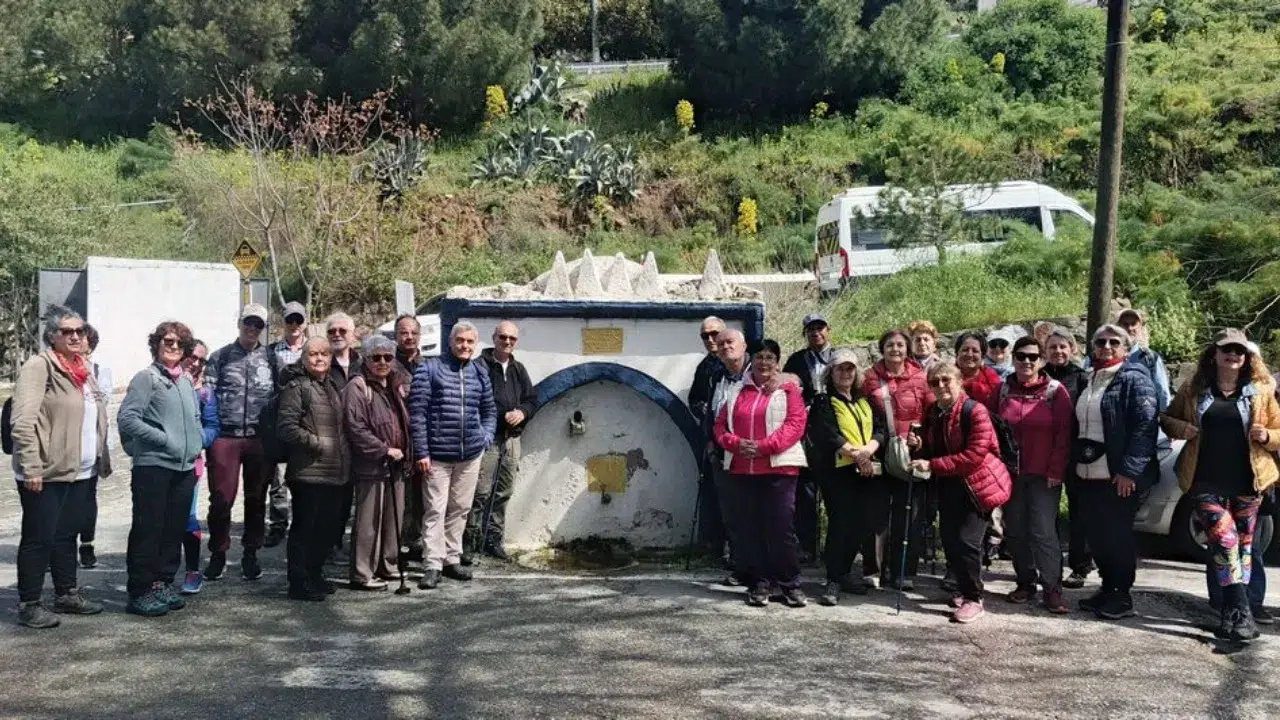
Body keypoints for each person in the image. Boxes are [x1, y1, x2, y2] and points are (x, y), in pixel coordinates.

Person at [1161, 329, 1280, 642]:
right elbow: (1167, 418)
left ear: (1246, 358)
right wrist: (1181, 428)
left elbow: (1279, 430)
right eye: (1227, 350)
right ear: (1214, 354)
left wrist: (1267, 437)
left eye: (1239, 351)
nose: (1233, 355)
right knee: (1226, 541)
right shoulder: (1194, 389)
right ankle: (1241, 609)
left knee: (1243, 548)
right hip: (1205, 479)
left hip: (1248, 481)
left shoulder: (1261, 391)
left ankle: (1232, 615)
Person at [10, 307, 112, 628]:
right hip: (46, 470)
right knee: (39, 537)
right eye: (67, 332)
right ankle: (29, 604)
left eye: (80, 331)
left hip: (80, 470)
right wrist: (31, 466)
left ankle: (66, 593)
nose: (76, 336)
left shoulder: (84, 369)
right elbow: (22, 422)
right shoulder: (39, 367)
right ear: (53, 336)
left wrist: (99, 460)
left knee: (67, 535)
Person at [911, 361, 1012, 624]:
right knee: (951, 540)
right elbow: (933, 451)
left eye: (946, 380)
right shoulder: (934, 411)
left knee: (968, 541)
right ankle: (963, 588)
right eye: (935, 382)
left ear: (959, 382)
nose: (941, 386)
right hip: (949, 483)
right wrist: (919, 446)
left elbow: (974, 455)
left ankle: (974, 598)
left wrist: (931, 464)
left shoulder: (975, 411)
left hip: (977, 485)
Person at [117, 321, 203, 617]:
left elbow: (194, 418)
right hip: (153, 466)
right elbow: (128, 419)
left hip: (184, 468)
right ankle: (139, 591)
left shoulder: (185, 381)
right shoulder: (146, 378)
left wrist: (195, 443)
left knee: (172, 529)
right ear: (156, 343)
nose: (174, 346)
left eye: (180, 343)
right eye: (168, 341)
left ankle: (162, 583)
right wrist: (163, 439)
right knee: (148, 529)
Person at [715, 339, 809, 607]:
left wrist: (763, 448)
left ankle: (790, 583)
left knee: (781, 529)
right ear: (751, 360)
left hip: (779, 470)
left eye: (770, 357)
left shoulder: (789, 390)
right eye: (759, 357)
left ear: (777, 362)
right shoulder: (735, 391)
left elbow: (795, 425)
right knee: (750, 529)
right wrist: (735, 444)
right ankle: (760, 583)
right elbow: (720, 427)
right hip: (743, 470)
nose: (764, 362)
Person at [1075, 324, 1160, 620]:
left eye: (1114, 342)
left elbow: (1145, 427)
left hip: (1118, 475)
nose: (1107, 346)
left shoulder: (1136, 379)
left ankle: (1121, 595)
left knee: (1117, 535)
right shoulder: (1091, 377)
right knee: (1097, 535)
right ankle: (1107, 588)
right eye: (1101, 341)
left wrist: (1129, 471)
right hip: (1089, 473)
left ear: (1126, 347)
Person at [409, 322, 497, 589]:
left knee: (460, 509)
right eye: (460, 341)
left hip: (469, 454)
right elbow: (417, 413)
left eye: (470, 342)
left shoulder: (479, 371)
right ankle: (432, 564)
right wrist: (422, 451)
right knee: (435, 509)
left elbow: (489, 410)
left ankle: (451, 558)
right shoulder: (430, 368)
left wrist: (484, 438)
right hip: (437, 455)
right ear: (450, 342)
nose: (465, 346)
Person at [998, 337, 1075, 614]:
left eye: (1033, 357)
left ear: (1041, 360)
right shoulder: (1004, 389)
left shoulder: (1055, 391)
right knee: (1016, 531)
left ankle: (1052, 589)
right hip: (1012, 474)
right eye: (1021, 356)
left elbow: (1064, 434)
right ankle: (1025, 582)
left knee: (1043, 532)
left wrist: (1056, 469)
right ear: (1013, 359)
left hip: (1044, 476)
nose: (1027, 361)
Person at [204, 303, 278, 582]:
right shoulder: (221, 357)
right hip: (226, 437)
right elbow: (207, 398)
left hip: (259, 439)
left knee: (257, 499)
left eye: (258, 324)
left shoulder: (271, 359)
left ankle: (251, 553)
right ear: (239, 323)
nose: (252, 328)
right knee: (221, 500)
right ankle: (218, 553)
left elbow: (279, 398)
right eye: (249, 322)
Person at [806, 348, 886, 606]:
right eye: (840, 368)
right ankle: (833, 578)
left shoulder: (866, 401)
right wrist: (858, 456)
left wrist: (869, 450)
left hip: (865, 471)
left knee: (861, 524)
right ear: (831, 372)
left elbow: (881, 429)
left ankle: (845, 572)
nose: (846, 373)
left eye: (850, 368)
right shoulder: (823, 401)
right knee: (841, 524)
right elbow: (827, 434)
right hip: (837, 473)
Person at [861, 329, 933, 590]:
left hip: (909, 454)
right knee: (876, 514)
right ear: (882, 348)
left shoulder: (921, 378)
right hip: (879, 451)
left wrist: (921, 441)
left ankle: (903, 570)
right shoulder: (869, 378)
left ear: (908, 348)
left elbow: (930, 415)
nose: (895, 349)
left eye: (901, 345)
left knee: (908, 515)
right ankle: (874, 569)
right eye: (890, 344)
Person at [278, 337, 349, 601]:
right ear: (304, 358)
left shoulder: (332, 386)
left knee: (326, 530)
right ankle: (298, 582)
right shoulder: (296, 387)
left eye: (324, 354)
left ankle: (315, 574)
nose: (319, 359)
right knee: (304, 529)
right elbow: (286, 427)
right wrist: (317, 444)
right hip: (308, 472)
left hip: (333, 472)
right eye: (313, 354)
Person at [343, 336, 411, 591]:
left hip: (397, 463)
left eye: (388, 357)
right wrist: (383, 450)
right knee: (368, 522)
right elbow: (355, 428)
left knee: (393, 519)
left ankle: (388, 565)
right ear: (366, 358)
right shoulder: (358, 386)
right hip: (371, 465)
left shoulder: (395, 385)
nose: (382, 362)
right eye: (376, 357)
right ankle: (362, 573)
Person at [465, 321, 536, 563]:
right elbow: (473, 401)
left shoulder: (518, 369)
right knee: (480, 491)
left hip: (512, 439)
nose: (507, 342)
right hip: (488, 438)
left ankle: (493, 540)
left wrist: (523, 413)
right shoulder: (479, 367)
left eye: (512, 339)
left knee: (504, 491)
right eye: (503, 337)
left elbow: (531, 399)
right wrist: (500, 414)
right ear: (493, 338)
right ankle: (469, 541)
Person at [1044, 326, 1094, 589]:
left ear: (1072, 349)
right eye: (1052, 347)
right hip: (1045, 452)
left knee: (1079, 511)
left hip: (1075, 452)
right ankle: (1045, 563)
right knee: (1044, 511)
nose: (1058, 351)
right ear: (1045, 351)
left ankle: (1080, 565)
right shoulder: (1038, 376)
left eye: (1062, 346)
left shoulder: (1083, 378)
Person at [782, 313, 832, 562]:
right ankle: (807, 546)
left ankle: (835, 548)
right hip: (806, 434)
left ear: (828, 330)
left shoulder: (840, 358)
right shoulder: (796, 360)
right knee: (807, 492)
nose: (816, 333)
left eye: (819, 328)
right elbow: (787, 394)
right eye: (810, 329)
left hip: (836, 432)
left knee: (835, 493)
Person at [705, 329, 752, 584]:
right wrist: (711, 442)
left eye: (729, 342)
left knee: (754, 513)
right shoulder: (716, 376)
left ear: (744, 345)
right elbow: (711, 412)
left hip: (750, 453)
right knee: (732, 514)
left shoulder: (757, 373)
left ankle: (760, 569)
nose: (724, 347)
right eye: (720, 344)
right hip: (723, 453)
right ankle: (741, 565)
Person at [265, 301, 309, 549]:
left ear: (305, 323)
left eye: (298, 320)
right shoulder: (270, 352)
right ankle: (278, 523)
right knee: (277, 478)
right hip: (278, 419)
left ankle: (302, 524)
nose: (294, 325)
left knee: (302, 474)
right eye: (289, 320)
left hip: (304, 419)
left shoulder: (314, 349)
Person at [180, 340, 219, 595]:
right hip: (161, 464)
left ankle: (193, 571)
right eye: (192, 357)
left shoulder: (205, 392)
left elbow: (212, 425)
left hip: (190, 464)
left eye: (201, 360)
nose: (195, 363)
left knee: (188, 517)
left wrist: (197, 442)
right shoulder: (162, 381)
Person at [324, 311, 361, 560]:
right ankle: (329, 545)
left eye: (342, 331)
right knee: (333, 497)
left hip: (360, 439)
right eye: (332, 331)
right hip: (331, 440)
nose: (337, 335)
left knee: (353, 497)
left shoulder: (364, 361)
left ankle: (354, 545)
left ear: (353, 334)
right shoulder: (321, 361)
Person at [392, 314, 427, 562]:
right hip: (397, 439)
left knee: (421, 496)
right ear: (396, 336)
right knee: (399, 497)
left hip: (423, 439)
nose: (409, 337)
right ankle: (396, 545)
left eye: (413, 333)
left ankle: (415, 541)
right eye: (404, 333)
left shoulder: (429, 364)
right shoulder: (387, 363)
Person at [77, 323, 112, 570]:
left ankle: (87, 544)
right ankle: (59, 547)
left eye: (84, 340)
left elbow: (103, 404)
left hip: (92, 444)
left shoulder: (100, 371)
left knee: (88, 497)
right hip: (64, 447)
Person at [1116, 308, 1173, 412]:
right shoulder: (1107, 356)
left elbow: (1163, 393)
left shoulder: (1150, 358)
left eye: (1133, 324)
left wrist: (1164, 420)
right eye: (1125, 324)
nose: (1129, 328)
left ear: (1140, 327)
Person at [955, 333, 1003, 411]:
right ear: (957, 353)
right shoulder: (946, 376)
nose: (970, 354)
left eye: (975, 351)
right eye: (965, 350)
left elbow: (1000, 403)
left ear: (982, 356)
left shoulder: (990, 375)